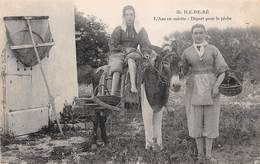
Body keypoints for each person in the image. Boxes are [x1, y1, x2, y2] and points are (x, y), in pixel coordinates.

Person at [181, 24, 229, 163]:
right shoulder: (187, 52)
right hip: (193, 88)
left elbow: (222, 71)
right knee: (195, 121)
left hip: (211, 87)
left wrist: (216, 87)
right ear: (192, 35)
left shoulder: (213, 50)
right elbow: (181, 72)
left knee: (211, 121)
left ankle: (208, 155)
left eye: (200, 32)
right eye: (195, 33)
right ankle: (200, 156)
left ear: (205, 34)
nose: (198, 35)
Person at [108, 5, 154, 95]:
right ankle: (112, 94)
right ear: (124, 16)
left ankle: (133, 86)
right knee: (116, 67)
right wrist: (124, 49)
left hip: (133, 52)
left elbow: (145, 43)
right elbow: (113, 44)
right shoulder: (119, 29)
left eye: (131, 14)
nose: (129, 17)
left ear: (134, 16)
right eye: (127, 15)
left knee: (131, 59)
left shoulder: (140, 30)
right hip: (119, 53)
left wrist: (145, 52)